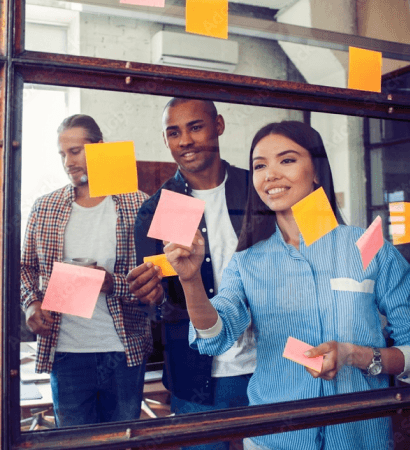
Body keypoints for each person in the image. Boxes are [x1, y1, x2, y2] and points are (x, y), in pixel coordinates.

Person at [165, 121, 410, 450]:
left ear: (318, 171)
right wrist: (190, 280)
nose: (271, 175)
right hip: (274, 439)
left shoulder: (368, 246)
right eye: (260, 165)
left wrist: (356, 355)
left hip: (361, 436)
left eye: (287, 160)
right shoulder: (247, 261)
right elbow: (215, 337)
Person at [128, 98, 255, 449]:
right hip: (197, 378)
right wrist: (150, 298)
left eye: (195, 127)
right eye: (174, 132)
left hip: (270, 365)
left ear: (219, 125)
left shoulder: (256, 190)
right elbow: (159, 306)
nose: (184, 140)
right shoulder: (160, 208)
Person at [20, 114, 152, 427]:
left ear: (100, 149)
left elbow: (154, 278)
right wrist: (31, 304)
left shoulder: (137, 205)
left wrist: (112, 284)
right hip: (66, 351)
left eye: (76, 151)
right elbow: (26, 269)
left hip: (123, 351)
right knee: (73, 443)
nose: (68, 162)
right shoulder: (45, 207)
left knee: (122, 441)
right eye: (62, 154)